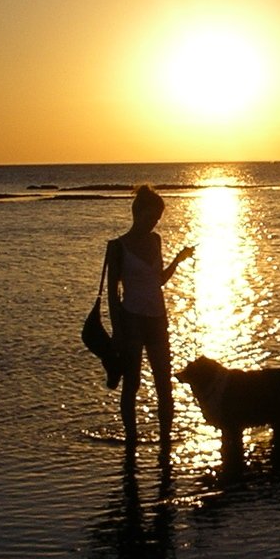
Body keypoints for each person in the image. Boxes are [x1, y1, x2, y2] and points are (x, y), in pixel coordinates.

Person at [107, 184, 193, 452]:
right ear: (137, 213)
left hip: (158, 318)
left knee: (163, 382)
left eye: (157, 218)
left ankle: (165, 442)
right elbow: (112, 294)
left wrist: (178, 261)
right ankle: (131, 441)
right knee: (131, 383)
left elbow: (158, 281)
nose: (154, 222)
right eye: (151, 217)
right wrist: (117, 330)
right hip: (131, 319)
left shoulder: (155, 241)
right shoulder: (117, 247)